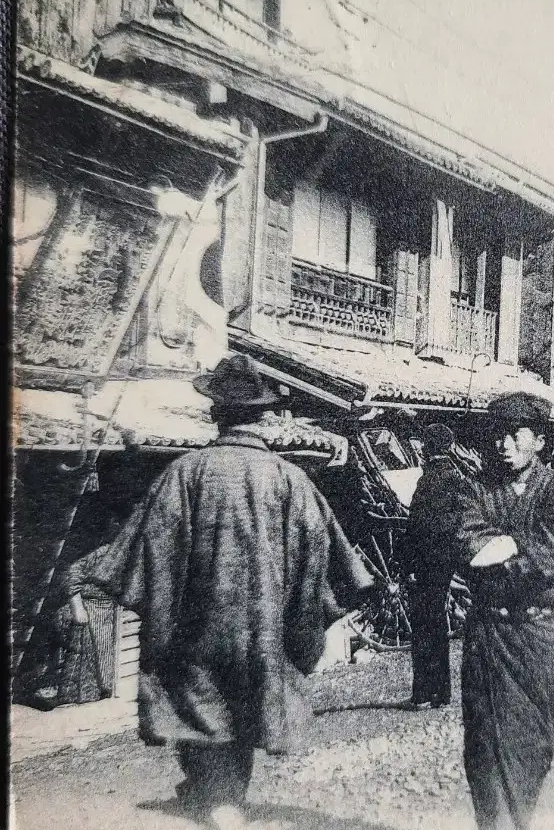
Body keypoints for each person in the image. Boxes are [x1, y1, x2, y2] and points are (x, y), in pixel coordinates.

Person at [90, 355, 371, 830]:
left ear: (215, 414)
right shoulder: (292, 481)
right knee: (243, 714)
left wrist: (165, 605)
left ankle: (217, 801)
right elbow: (331, 564)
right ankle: (223, 802)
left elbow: (144, 556)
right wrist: (300, 620)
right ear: (263, 418)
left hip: (197, 633)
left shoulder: (184, 474)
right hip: (264, 634)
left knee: (204, 715)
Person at [454, 392, 554, 830]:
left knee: (533, 739)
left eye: (516, 434)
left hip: (541, 636)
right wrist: (518, 549)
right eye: (497, 435)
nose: (504, 444)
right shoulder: (476, 489)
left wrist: (508, 552)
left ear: (539, 441)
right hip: (488, 635)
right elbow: (467, 542)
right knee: (483, 744)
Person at [405, 423, 469, 709]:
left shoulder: (429, 479)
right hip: (445, 561)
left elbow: (416, 525)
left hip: (426, 562)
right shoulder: (457, 477)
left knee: (423, 625)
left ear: (428, 448)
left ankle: (422, 692)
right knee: (438, 623)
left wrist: (405, 563)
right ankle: (441, 693)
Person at [52, 541, 117, 706]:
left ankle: (107, 689)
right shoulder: (101, 552)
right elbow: (71, 575)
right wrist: (77, 607)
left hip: (114, 609)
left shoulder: (130, 551)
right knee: (91, 644)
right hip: (91, 606)